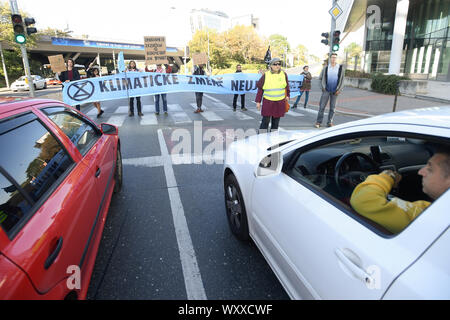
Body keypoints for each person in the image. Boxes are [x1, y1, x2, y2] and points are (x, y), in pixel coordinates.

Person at [350, 147, 450, 234]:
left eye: (430, 168)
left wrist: (388, 176)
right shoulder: (438, 211)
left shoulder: (431, 216)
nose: (420, 172)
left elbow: (364, 201)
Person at [255, 58, 290, 133]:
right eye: (275, 64)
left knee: (275, 124)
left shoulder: (284, 74)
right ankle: (261, 139)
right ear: (271, 65)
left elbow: (287, 86)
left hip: (279, 102)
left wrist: (288, 96)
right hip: (268, 102)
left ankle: (273, 140)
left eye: (279, 64)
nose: (277, 66)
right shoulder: (266, 75)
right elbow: (260, 89)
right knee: (265, 122)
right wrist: (258, 101)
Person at [315, 53, 345, 128]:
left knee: (333, 108)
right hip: (326, 90)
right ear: (330, 58)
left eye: (335, 57)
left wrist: (339, 90)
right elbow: (320, 78)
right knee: (322, 107)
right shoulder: (326, 68)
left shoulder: (340, 68)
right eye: (332, 57)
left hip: (335, 91)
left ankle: (329, 122)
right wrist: (322, 87)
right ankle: (319, 122)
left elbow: (343, 80)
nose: (333, 59)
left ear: (336, 59)